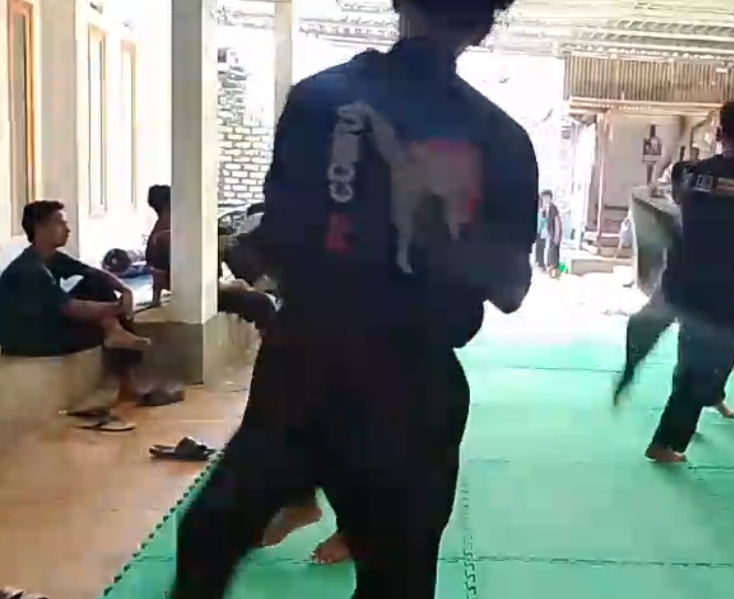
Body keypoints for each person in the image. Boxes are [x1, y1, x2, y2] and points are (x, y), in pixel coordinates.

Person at [169, 0, 536, 597]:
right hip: (415, 384)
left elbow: (276, 241)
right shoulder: (503, 138)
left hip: (306, 368)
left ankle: (299, 494)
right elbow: (511, 289)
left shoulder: (319, 99)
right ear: (485, 24)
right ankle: (312, 501)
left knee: (209, 539)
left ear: (398, 3)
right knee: (398, 577)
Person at [614, 99, 734, 463]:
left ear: (718, 134)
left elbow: (673, 209)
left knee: (691, 348)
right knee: (707, 359)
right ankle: (670, 438)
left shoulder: (685, 174)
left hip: (677, 281)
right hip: (722, 290)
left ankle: (692, 390)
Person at [0, 201, 149, 425]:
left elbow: (94, 273)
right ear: (40, 228)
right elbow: (71, 309)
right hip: (28, 340)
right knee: (100, 317)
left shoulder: (52, 258)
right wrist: (117, 308)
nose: (67, 229)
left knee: (96, 283)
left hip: (45, 325)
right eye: (60, 223)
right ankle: (117, 345)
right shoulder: (30, 269)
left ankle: (116, 340)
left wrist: (125, 290)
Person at [143, 185, 277, 333]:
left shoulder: (165, 232)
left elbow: (158, 274)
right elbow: (191, 282)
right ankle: (271, 341)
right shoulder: (167, 237)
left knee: (233, 243)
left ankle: (259, 282)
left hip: (201, 290)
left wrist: (155, 299)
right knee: (263, 304)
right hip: (197, 297)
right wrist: (232, 286)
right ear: (170, 205)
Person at [542, 192, 562, 278]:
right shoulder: (546, 208)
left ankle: (554, 271)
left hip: (555, 233)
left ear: (550, 198)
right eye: (544, 198)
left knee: (554, 252)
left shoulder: (553, 208)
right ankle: (551, 271)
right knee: (550, 252)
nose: (545, 199)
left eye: (547, 197)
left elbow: (557, 221)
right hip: (550, 233)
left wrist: (557, 235)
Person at [534, 192, 549, 270]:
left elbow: (545, 221)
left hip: (542, 231)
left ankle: (540, 262)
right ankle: (538, 262)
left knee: (541, 247)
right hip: (538, 231)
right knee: (538, 247)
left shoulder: (543, 210)